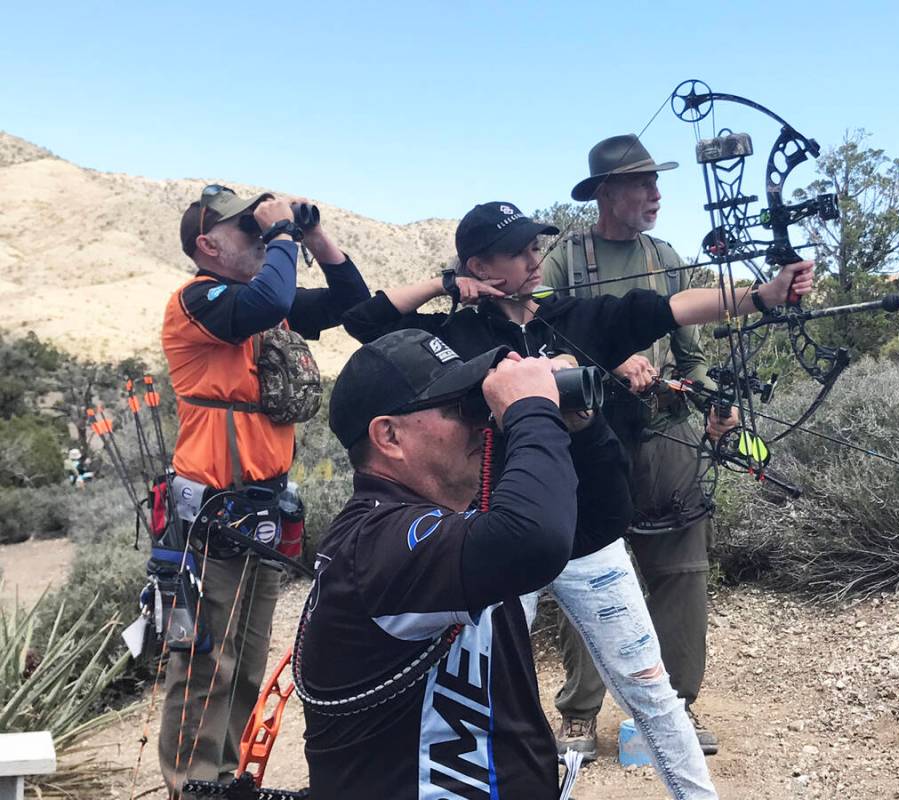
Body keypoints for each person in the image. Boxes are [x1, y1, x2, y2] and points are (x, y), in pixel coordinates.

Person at [341, 200, 812, 799]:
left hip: (587, 537)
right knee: (492, 690)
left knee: (651, 692)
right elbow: (363, 322)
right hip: (500, 537)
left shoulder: (569, 318)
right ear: (479, 263)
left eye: (537, 248)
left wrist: (764, 296)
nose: (535, 260)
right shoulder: (451, 334)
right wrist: (443, 284)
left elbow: (666, 307)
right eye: (518, 252)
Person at [296, 329, 579, 799]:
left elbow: (587, 512)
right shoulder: (376, 543)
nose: (482, 423)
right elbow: (536, 538)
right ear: (388, 435)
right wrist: (532, 413)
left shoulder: (439, 521)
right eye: (459, 408)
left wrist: (567, 424)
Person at [158, 184, 370, 794]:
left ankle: (225, 777)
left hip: (262, 512)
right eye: (244, 231)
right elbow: (264, 300)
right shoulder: (199, 301)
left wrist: (315, 235)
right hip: (210, 517)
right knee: (204, 662)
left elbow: (351, 304)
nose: (256, 237)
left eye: (258, 230)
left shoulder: (263, 303)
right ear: (207, 245)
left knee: (246, 660)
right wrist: (280, 235)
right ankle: (192, 784)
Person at [540, 134, 718, 756]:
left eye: (655, 182)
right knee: (585, 567)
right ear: (607, 193)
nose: (655, 194)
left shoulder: (666, 257)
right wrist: (613, 363)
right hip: (586, 436)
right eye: (642, 184)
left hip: (664, 431)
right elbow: (542, 343)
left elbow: (695, 359)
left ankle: (675, 709)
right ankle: (581, 713)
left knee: (682, 569)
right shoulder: (563, 260)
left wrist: (708, 400)